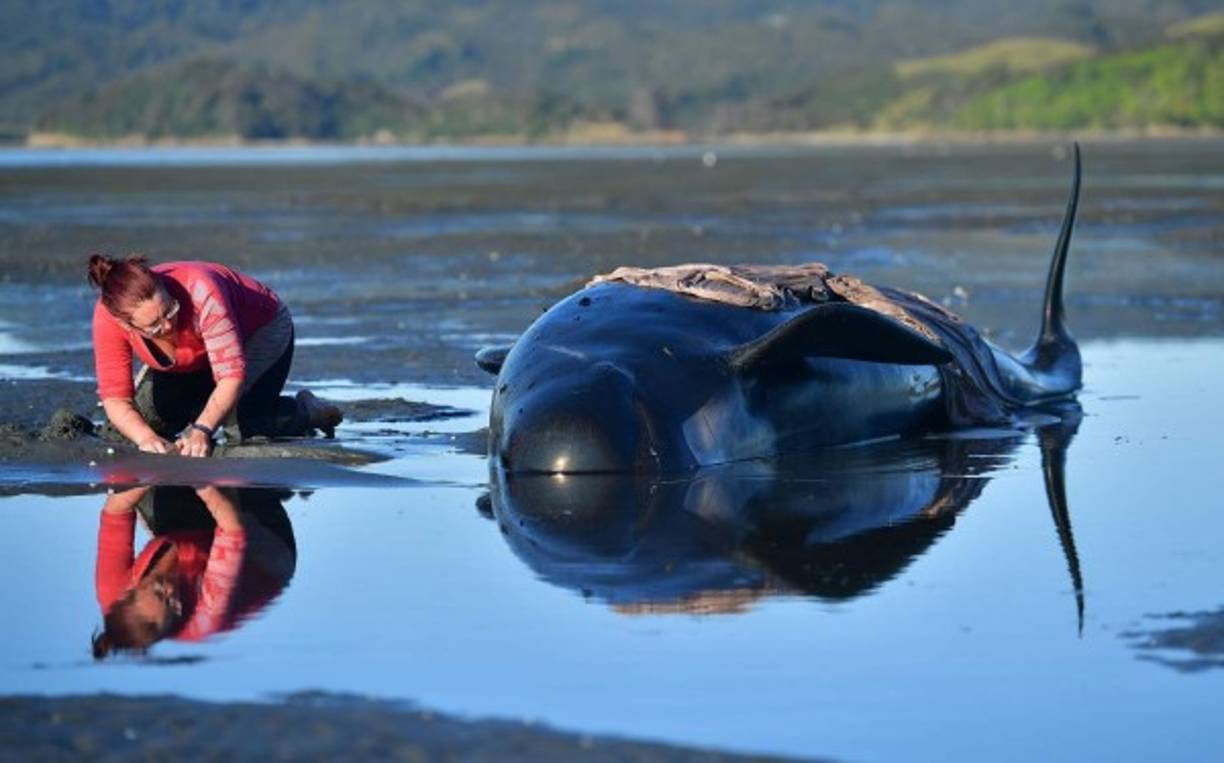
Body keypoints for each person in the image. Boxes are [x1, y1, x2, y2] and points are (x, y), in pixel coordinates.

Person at [88, 254, 341, 456]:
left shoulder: (202, 290)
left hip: (260, 330)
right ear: (127, 325)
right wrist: (146, 439)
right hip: (192, 356)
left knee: (242, 427)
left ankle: (309, 410)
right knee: (145, 422)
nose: (168, 325)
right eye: (154, 326)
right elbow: (116, 400)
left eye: (170, 310)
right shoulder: (108, 317)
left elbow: (231, 377)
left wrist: (201, 430)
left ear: (165, 288)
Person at [92, 484, 297, 658]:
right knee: (231, 486)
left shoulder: (112, 591)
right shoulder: (207, 617)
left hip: (190, 538)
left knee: (135, 486)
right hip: (264, 561)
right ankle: (269, 490)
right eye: (173, 606)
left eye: (159, 591)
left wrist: (154, 467)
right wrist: (201, 475)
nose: (172, 590)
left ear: (128, 591)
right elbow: (232, 528)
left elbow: (116, 509)